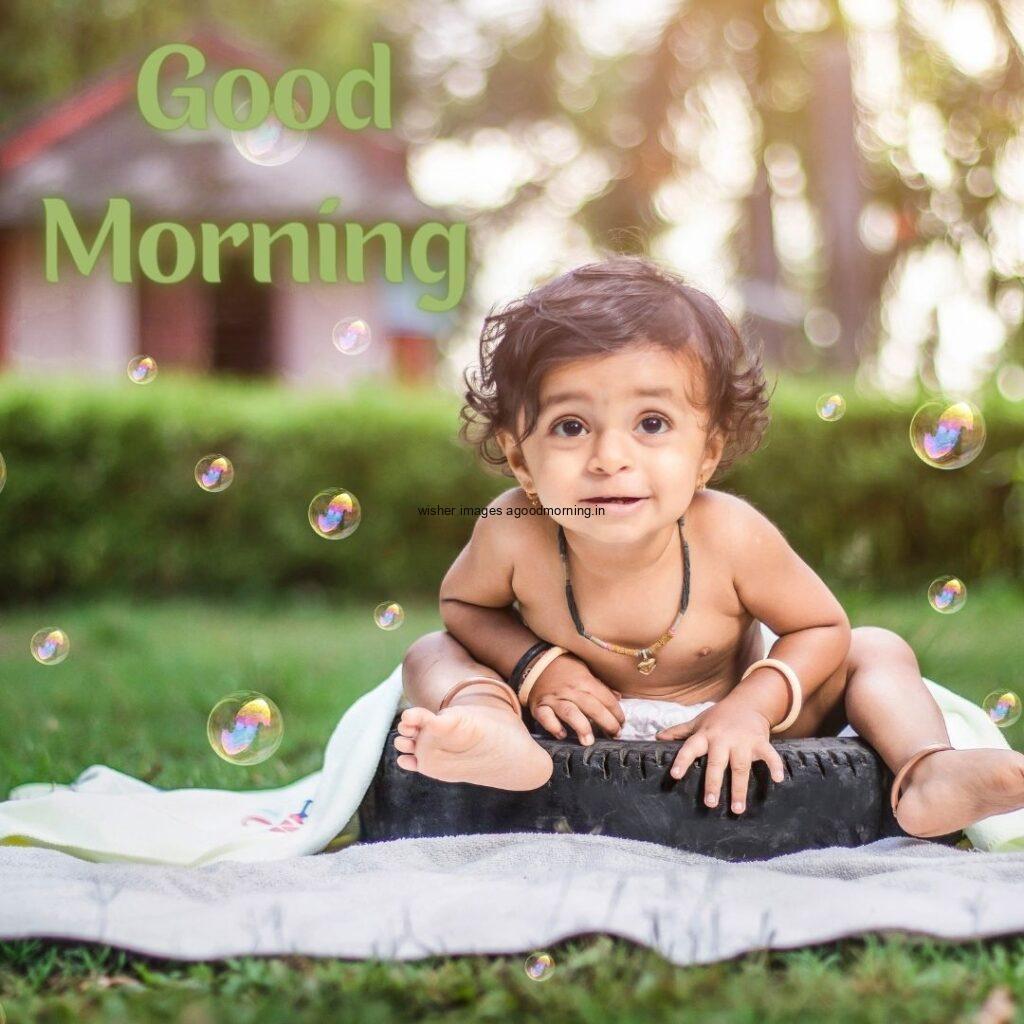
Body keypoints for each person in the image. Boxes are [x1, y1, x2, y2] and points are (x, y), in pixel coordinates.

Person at [395, 255, 1024, 839]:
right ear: (519, 459)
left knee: (876, 648)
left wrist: (753, 706)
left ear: (708, 453)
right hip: (574, 718)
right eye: (570, 426)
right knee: (429, 652)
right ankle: (493, 733)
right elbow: (465, 608)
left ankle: (925, 771)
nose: (611, 459)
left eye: (652, 424)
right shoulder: (512, 530)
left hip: (730, 711)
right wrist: (536, 667)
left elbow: (821, 626)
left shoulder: (730, 532)